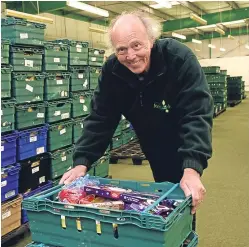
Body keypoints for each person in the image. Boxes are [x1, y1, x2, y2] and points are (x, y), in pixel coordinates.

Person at [60, 11, 213, 217]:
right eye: (121, 49)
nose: (130, 56)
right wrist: (82, 161)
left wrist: (192, 169)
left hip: (182, 138)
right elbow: (100, 118)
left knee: (183, 198)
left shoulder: (179, 59)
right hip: (152, 141)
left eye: (136, 46)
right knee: (164, 196)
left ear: (151, 40)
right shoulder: (112, 71)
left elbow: (196, 113)